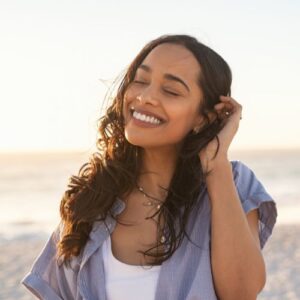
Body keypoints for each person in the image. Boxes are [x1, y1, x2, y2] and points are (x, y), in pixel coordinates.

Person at [21, 34, 277, 300]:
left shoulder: (232, 183)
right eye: (141, 81)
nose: (145, 97)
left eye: (171, 91)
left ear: (203, 117)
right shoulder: (90, 199)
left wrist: (216, 164)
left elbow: (241, 293)